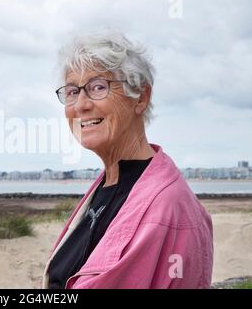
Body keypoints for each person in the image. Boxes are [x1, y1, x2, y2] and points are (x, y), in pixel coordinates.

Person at [42, 31, 213, 289]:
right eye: (72, 91)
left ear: (141, 97)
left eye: (98, 87)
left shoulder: (167, 205)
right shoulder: (108, 185)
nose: (81, 105)